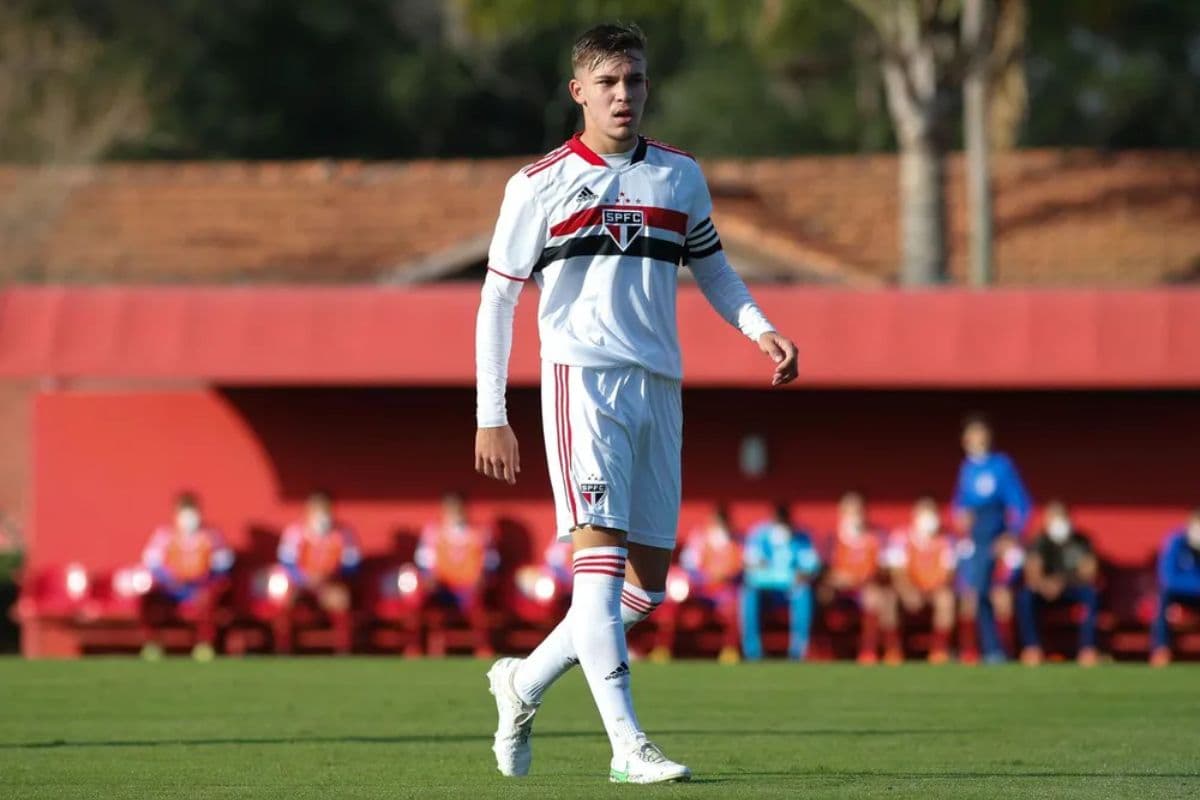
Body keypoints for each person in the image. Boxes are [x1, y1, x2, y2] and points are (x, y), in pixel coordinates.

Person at [474, 23, 798, 784]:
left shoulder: (679, 177)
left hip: (659, 386)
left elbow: (714, 269)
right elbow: (497, 300)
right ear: (578, 91)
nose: (625, 95)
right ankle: (628, 746)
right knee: (598, 567)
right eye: (610, 82)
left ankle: (520, 683)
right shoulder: (537, 184)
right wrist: (493, 411)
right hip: (581, 381)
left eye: (636, 81)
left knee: (644, 590)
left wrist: (761, 328)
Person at [952, 413, 1031, 664]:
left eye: (980, 433)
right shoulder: (966, 468)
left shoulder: (1001, 465)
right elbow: (959, 504)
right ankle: (985, 648)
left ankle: (1012, 647)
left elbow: (1020, 503)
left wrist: (1012, 534)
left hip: (996, 535)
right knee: (976, 592)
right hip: (975, 538)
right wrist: (960, 518)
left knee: (1002, 593)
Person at [139, 491, 234, 660]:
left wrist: (205, 581)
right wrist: (169, 579)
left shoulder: (211, 536)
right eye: (184, 513)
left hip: (199, 588)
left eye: (192, 513)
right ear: (176, 514)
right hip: (171, 589)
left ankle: (204, 645)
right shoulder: (164, 535)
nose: (188, 519)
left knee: (207, 600)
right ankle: (153, 643)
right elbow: (152, 563)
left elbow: (223, 565)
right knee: (149, 600)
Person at [274, 491, 361, 654]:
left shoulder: (344, 533)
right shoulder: (295, 532)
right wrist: (304, 578)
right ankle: (284, 647)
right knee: (283, 596)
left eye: (325, 510)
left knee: (341, 598)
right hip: (301, 584)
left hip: (330, 583)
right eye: (317, 510)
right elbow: (286, 563)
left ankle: (343, 648)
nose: (322, 515)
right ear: (308, 510)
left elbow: (352, 565)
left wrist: (330, 576)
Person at [1015, 501, 1101, 666]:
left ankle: (1088, 649)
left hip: (1073, 588)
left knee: (1091, 595)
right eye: (1053, 517)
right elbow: (1032, 572)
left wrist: (1062, 581)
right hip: (1046, 591)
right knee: (1025, 597)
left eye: (1061, 516)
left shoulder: (1081, 541)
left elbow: (1090, 571)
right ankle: (1032, 648)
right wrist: (1046, 584)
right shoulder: (1040, 541)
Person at [415, 492, 499, 658]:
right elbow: (424, 561)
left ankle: (481, 645)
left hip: (470, 588)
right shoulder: (433, 533)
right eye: (450, 509)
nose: (455, 513)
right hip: (443, 588)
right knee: (424, 597)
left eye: (459, 509)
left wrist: (483, 576)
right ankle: (425, 646)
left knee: (479, 602)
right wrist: (430, 578)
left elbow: (492, 561)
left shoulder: (480, 533)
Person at [881, 497, 958, 664]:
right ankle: (893, 650)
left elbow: (949, 573)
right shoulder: (900, 536)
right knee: (888, 598)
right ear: (915, 514)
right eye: (924, 511)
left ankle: (939, 651)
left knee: (946, 599)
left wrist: (931, 590)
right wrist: (909, 591)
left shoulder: (947, 539)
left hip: (934, 589)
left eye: (932, 511)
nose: (928, 516)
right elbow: (896, 571)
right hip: (907, 589)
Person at [740, 504, 821, 662]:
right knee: (748, 593)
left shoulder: (802, 537)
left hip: (791, 591)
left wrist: (803, 574)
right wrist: (757, 565)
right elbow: (749, 563)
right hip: (765, 592)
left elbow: (811, 566)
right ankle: (753, 652)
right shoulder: (759, 535)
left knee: (804, 592)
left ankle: (798, 652)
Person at [822, 492, 889, 664]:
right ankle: (823, 650)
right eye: (849, 510)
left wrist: (861, 579)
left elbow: (882, 569)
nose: (854, 515)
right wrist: (836, 578)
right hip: (839, 589)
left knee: (874, 597)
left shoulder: (877, 537)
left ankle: (868, 650)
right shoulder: (832, 538)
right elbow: (823, 569)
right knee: (821, 594)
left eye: (858, 510)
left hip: (865, 587)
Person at [674, 505, 744, 663]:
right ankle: (670, 648)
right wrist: (705, 578)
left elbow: (742, 566)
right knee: (676, 602)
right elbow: (689, 566)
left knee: (736, 608)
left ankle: (730, 649)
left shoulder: (737, 540)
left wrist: (727, 577)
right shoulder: (700, 538)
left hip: (726, 591)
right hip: (701, 589)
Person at [1149, 509, 1200, 667]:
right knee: (1164, 596)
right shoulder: (1176, 542)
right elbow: (1169, 579)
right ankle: (1161, 649)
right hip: (1181, 594)